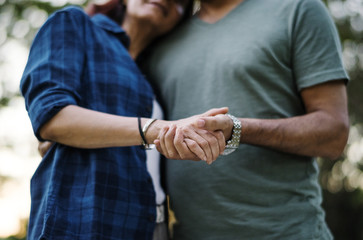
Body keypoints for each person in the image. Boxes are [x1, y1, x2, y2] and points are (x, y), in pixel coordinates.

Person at [20, 0, 229, 239]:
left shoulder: (154, 73)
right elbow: (51, 115)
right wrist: (157, 129)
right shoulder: (75, 23)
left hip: (152, 226)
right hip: (85, 223)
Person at [142, 0, 350, 239]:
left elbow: (334, 134)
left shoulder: (297, 9)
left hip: (287, 232)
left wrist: (237, 130)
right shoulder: (163, 38)